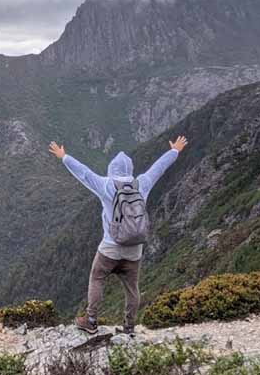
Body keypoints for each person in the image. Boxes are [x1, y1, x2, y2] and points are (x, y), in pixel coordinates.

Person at [48, 135, 188, 335]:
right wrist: (174, 151)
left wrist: (64, 156)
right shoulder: (142, 183)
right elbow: (159, 168)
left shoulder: (105, 185)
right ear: (130, 170)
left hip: (110, 247)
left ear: (111, 170)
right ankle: (129, 327)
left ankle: (91, 321)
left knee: (97, 278)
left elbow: (84, 173)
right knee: (132, 288)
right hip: (134, 249)